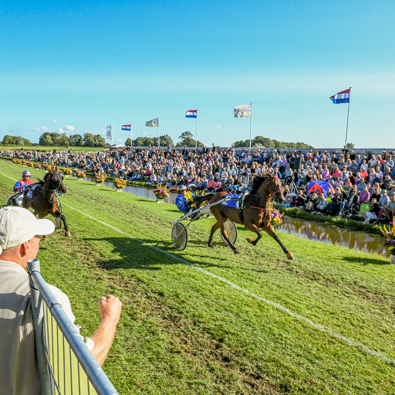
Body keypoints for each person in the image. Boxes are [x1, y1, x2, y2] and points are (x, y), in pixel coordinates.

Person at [0, 207, 122, 395]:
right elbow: (84, 366)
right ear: (25, 246)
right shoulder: (44, 297)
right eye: (37, 237)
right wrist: (110, 319)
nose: (39, 242)